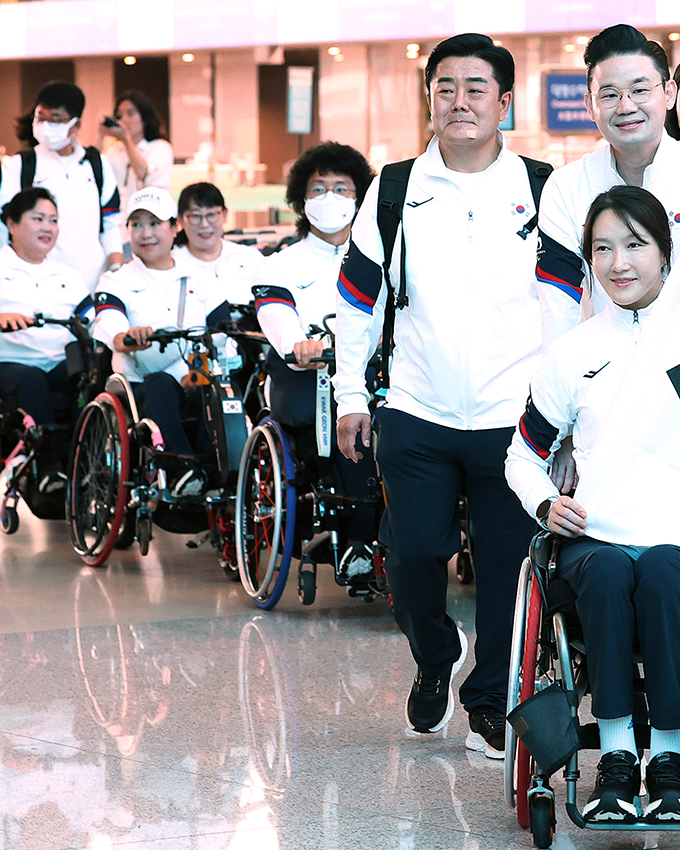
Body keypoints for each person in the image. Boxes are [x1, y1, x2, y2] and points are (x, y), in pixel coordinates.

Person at [334, 34, 548, 759]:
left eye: (476, 88)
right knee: (413, 554)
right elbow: (358, 303)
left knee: (505, 569)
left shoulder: (545, 191)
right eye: (446, 87)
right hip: (417, 410)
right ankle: (435, 652)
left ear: (504, 103)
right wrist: (349, 395)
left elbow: (577, 305)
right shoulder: (395, 190)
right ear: (429, 98)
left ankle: (489, 702)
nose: (460, 101)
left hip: (513, 421)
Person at [506, 185, 680, 824]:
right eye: (602, 248)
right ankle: (619, 758)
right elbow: (522, 457)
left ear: (666, 252)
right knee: (606, 570)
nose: (619, 262)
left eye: (635, 245)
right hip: (596, 537)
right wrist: (547, 504)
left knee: (655, 570)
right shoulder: (571, 354)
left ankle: (671, 760)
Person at [537, 24, 680, 347]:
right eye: (609, 95)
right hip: (603, 376)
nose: (626, 106)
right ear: (590, 106)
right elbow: (558, 309)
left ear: (669, 93)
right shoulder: (566, 187)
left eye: (640, 90)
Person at [254, 141, 377, 578]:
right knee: (347, 419)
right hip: (308, 380)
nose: (329, 198)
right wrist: (299, 345)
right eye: (318, 188)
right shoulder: (279, 265)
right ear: (301, 201)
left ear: (360, 197)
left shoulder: (380, 256)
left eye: (342, 188)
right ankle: (358, 542)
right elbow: (278, 320)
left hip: (376, 374)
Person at [92, 187, 229, 495]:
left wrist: (190, 372)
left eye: (154, 223)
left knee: (218, 390)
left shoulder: (201, 278)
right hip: (138, 384)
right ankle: (182, 470)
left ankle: (218, 475)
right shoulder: (116, 280)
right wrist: (126, 337)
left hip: (195, 377)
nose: (145, 233)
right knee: (159, 384)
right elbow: (110, 320)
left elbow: (220, 335)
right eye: (136, 224)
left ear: (173, 227)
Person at [0, 187, 91, 490]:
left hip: (59, 361)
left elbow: (92, 319)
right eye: (38, 219)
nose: (47, 228)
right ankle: (49, 469)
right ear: (11, 224)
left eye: (53, 220)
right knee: (31, 379)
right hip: (8, 363)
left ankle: (88, 463)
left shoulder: (68, 275)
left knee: (86, 378)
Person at [0, 81, 123, 291]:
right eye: (41, 118)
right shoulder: (25, 163)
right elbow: (6, 223)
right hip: (36, 281)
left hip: (90, 280)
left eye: (55, 120)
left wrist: (116, 268)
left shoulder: (96, 164)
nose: (46, 127)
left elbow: (110, 222)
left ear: (76, 125)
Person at [171, 182, 265, 309]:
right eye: (195, 216)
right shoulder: (172, 264)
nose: (204, 224)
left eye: (211, 215)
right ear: (180, 220)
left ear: (225, 214)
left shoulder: (249, 257)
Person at [102, 91, 174, 226]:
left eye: (130, 114)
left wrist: (126, 139)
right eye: (119, 115)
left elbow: (143, 174)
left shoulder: (161, 147)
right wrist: (101, 136)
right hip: (121, 225)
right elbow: (95, 176)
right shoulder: (114, 151)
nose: (124, 120)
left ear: (145, 117)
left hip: (152, 222)